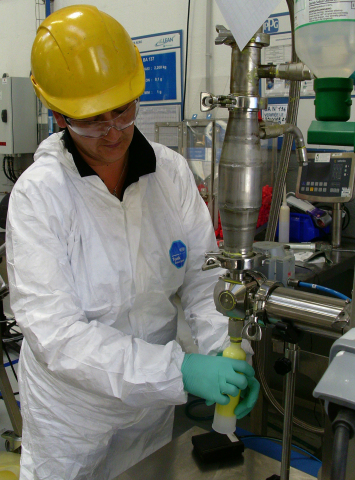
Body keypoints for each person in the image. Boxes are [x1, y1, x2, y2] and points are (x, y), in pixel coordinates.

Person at [6, 5, 260, 480]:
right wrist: (179, 370)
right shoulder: (39, 196)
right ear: (58, 114)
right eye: (91, 119)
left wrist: (227, 355)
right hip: (74, 424)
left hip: (149, 417)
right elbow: (58, 337)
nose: (112, 132)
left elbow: (206, 283)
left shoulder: (171, 174)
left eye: (121, 111)